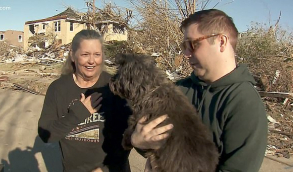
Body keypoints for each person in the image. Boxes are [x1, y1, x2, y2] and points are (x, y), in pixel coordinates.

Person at [130, 9, 268, 172]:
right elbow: (152, 142)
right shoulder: (179, 89)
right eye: (184, 46)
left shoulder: (244, 102)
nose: (186, 53)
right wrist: (139, 142)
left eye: (192, 44)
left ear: (221, 42)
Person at [38, 30, 132, 172]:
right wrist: (79, 113)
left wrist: (105, 168)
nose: (91, 61)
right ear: (73, 56)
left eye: (97, 54)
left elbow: (128, 136)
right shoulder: (58, 89)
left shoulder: (114, 87)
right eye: (85, 54)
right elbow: (46, 134)